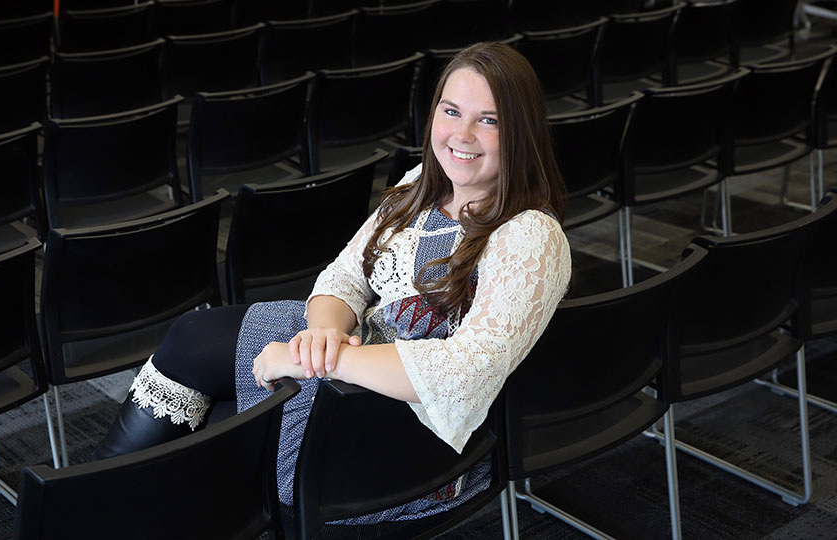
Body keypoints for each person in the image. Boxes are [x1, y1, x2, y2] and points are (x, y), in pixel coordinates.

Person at [94, 41, 572, 523]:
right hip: (355, 361)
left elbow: (466, 372)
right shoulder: (423, 181)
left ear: (520, 132)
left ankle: (88, 510)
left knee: (215, 436)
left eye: (488, 120)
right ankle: (91, 505)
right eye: (452, 111)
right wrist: (321, 335)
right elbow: (346, 273)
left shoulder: (531, 234)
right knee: (190, 342)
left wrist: (332, 359)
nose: (462, 134)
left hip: (410, 428)